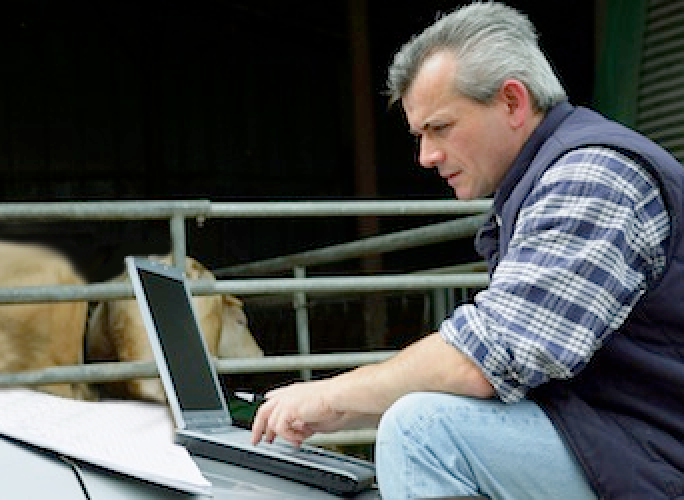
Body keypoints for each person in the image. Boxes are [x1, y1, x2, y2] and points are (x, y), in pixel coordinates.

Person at [250, 2, 684, 499]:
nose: (426, 156)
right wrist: (338, 411)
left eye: (440, 128)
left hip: (659, 457)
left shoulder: (591, 177)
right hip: (618, 440)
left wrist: (329, 395)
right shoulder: (540, 180)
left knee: (422, 432)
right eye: (419, 135)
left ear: (513, 102)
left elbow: (486, 359)